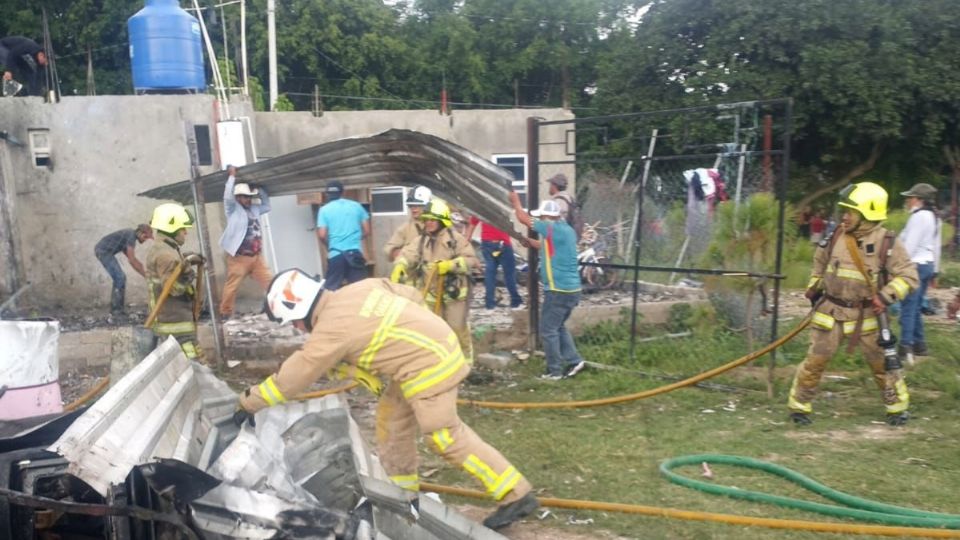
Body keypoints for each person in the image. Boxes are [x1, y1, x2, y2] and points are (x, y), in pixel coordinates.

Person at [234, 270, 539, 530]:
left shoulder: (330, 330)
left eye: (293, 323)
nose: (296, 329)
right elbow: (412, 295)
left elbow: (291, 380)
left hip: (428, 366)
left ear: (297, 311)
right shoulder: (359, 289)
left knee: (444, 435)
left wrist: (248, 403)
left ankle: (515, 493)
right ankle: (403, 499)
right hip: (429, 352)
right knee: (392, 424)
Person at [790, 182, 918, 426]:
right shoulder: (836, 235)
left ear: (868, 213)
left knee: (882, 365)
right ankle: (799, 406)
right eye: (844, 211)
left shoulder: (888, 242)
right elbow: (820, 260)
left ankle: (897, 407)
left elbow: (909, 277)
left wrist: (885, 296)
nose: (844, 217)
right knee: (815, 361)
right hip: (831, 312)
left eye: (850, 212)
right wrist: (814, 286)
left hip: (869, 315)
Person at [508, 193, 586, 380]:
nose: (540, 219)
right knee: (557, 327)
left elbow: (524, 218)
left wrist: (516, 202)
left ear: (546, 217)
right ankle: (574, 361)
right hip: (571, 290)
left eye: (541, 216)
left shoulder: (550, 227)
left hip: (559, 290)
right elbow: (546, 246)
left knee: (548, 330)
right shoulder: (564, 230)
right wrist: (529, 243)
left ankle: (554, 371)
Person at [391, 198, 478, 361]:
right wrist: (400, 264)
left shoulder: (455, 239)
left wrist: (450, 265)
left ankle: (465, 362)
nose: (429, 223)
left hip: (454, 293)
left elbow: (471, 260)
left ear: (441, 220)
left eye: (432, 219)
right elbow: (407, 254)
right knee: (431, 330)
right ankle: (439, 362)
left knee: (456, 328)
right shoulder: (421, 241)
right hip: (430, 292)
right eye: (427, 219)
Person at [145, 203, 204, 360]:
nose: (186, 233)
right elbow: (174, 289)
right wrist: (188, 274)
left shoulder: (165, 248)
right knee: (194, 363)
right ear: (171, 228)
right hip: (174, 321)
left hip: (171, 317)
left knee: (185, 362)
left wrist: (186, 259)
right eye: (183, 229)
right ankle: (201, 383)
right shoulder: (166, 255)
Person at [218, 165, 273, 319]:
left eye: (249, 197)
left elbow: (267, 205)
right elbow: (227, 197)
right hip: (239, 257)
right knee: (232, 286)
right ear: (238, 198)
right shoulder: (233, 209)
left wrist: (259, 190)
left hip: (256, 257)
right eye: (244, 197)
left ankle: (273, 308)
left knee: (270, 283)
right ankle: (225, 313)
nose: (248, 199)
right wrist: (232, 177)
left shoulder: (254, 209)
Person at [897, 183, 941, 362]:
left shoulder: (918, 217)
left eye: (910, 197)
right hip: (927, 265)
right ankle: (920, 344)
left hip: (913, 266)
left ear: (919, 200)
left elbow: (909, 246)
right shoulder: (934, 217)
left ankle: (906, 345)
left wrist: (899, 268)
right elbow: (936, 247)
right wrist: (935, 272)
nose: (908, 201)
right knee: (915, 307)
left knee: (908, 307)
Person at [316, 180, 370, 290]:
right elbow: (367, 230)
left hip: (336, 255)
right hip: (355, 254)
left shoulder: (324, 210)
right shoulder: (356, 206)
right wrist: (356, 239)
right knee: (361, 290)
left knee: (330, 291)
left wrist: (329, 246)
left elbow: (322, 235)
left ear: (327, 194)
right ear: (342, 192)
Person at [465, 216, 523, 310]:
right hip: (503, 243)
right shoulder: (499, 205)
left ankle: (490, 304)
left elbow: (472, 223)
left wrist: (467, 240)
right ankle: (516, 301)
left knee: (490, 273)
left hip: (487, 243)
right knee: (509, 274)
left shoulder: (481, 207)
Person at [94, 224, 153, 315]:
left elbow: (132, 259)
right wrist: (146, 276)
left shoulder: (129, 235)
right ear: (140, 233)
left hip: (104, 251)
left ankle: (117, 309)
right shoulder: (130, 236)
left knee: (120, 277)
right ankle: (116, 310)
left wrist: (144, 271)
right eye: (145, 237)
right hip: (103, 251)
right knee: (120, 277)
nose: (145, 240)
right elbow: (132, 260)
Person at [383, 185, 431, 262]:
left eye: (417, 204)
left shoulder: (439, 225)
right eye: (410, 205)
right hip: (414, 272)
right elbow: (389, 248)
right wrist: (397, 253)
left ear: (427, 205)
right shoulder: (405, 228)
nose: (413, 208)